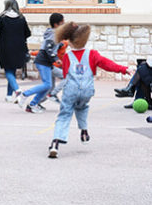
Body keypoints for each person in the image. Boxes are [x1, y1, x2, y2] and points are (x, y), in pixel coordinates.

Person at [48, 22, 133, 158]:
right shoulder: (92, 54)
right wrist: (123, 69)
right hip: (87, 90)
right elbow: (107, 64)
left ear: (69, 40)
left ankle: (55, 143)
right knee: (82, 107)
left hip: (71, 89)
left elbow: (65, 74)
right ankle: (84, 131)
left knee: (64, 114)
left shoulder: (67, 57)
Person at [20, 13, 64, 114]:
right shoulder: (53, 34)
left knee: (48, 86)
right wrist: (55, 59)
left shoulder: (54, 33)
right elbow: (48, 48)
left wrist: (60, 44)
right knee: (47, 85)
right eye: (62, 22)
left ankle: (33, 104)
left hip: (46, 62)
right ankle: (25, 94)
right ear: (56, 24)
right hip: (43, 61)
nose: (63, 24)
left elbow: (51, 46)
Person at [0, 0, 31, 103]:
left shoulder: (2, 18)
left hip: (5, 47)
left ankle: (17, 90)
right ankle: (8, 96)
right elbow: (28, 33)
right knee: (12, 71)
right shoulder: (21, 18)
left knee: (8, 71)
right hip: (19, 47)